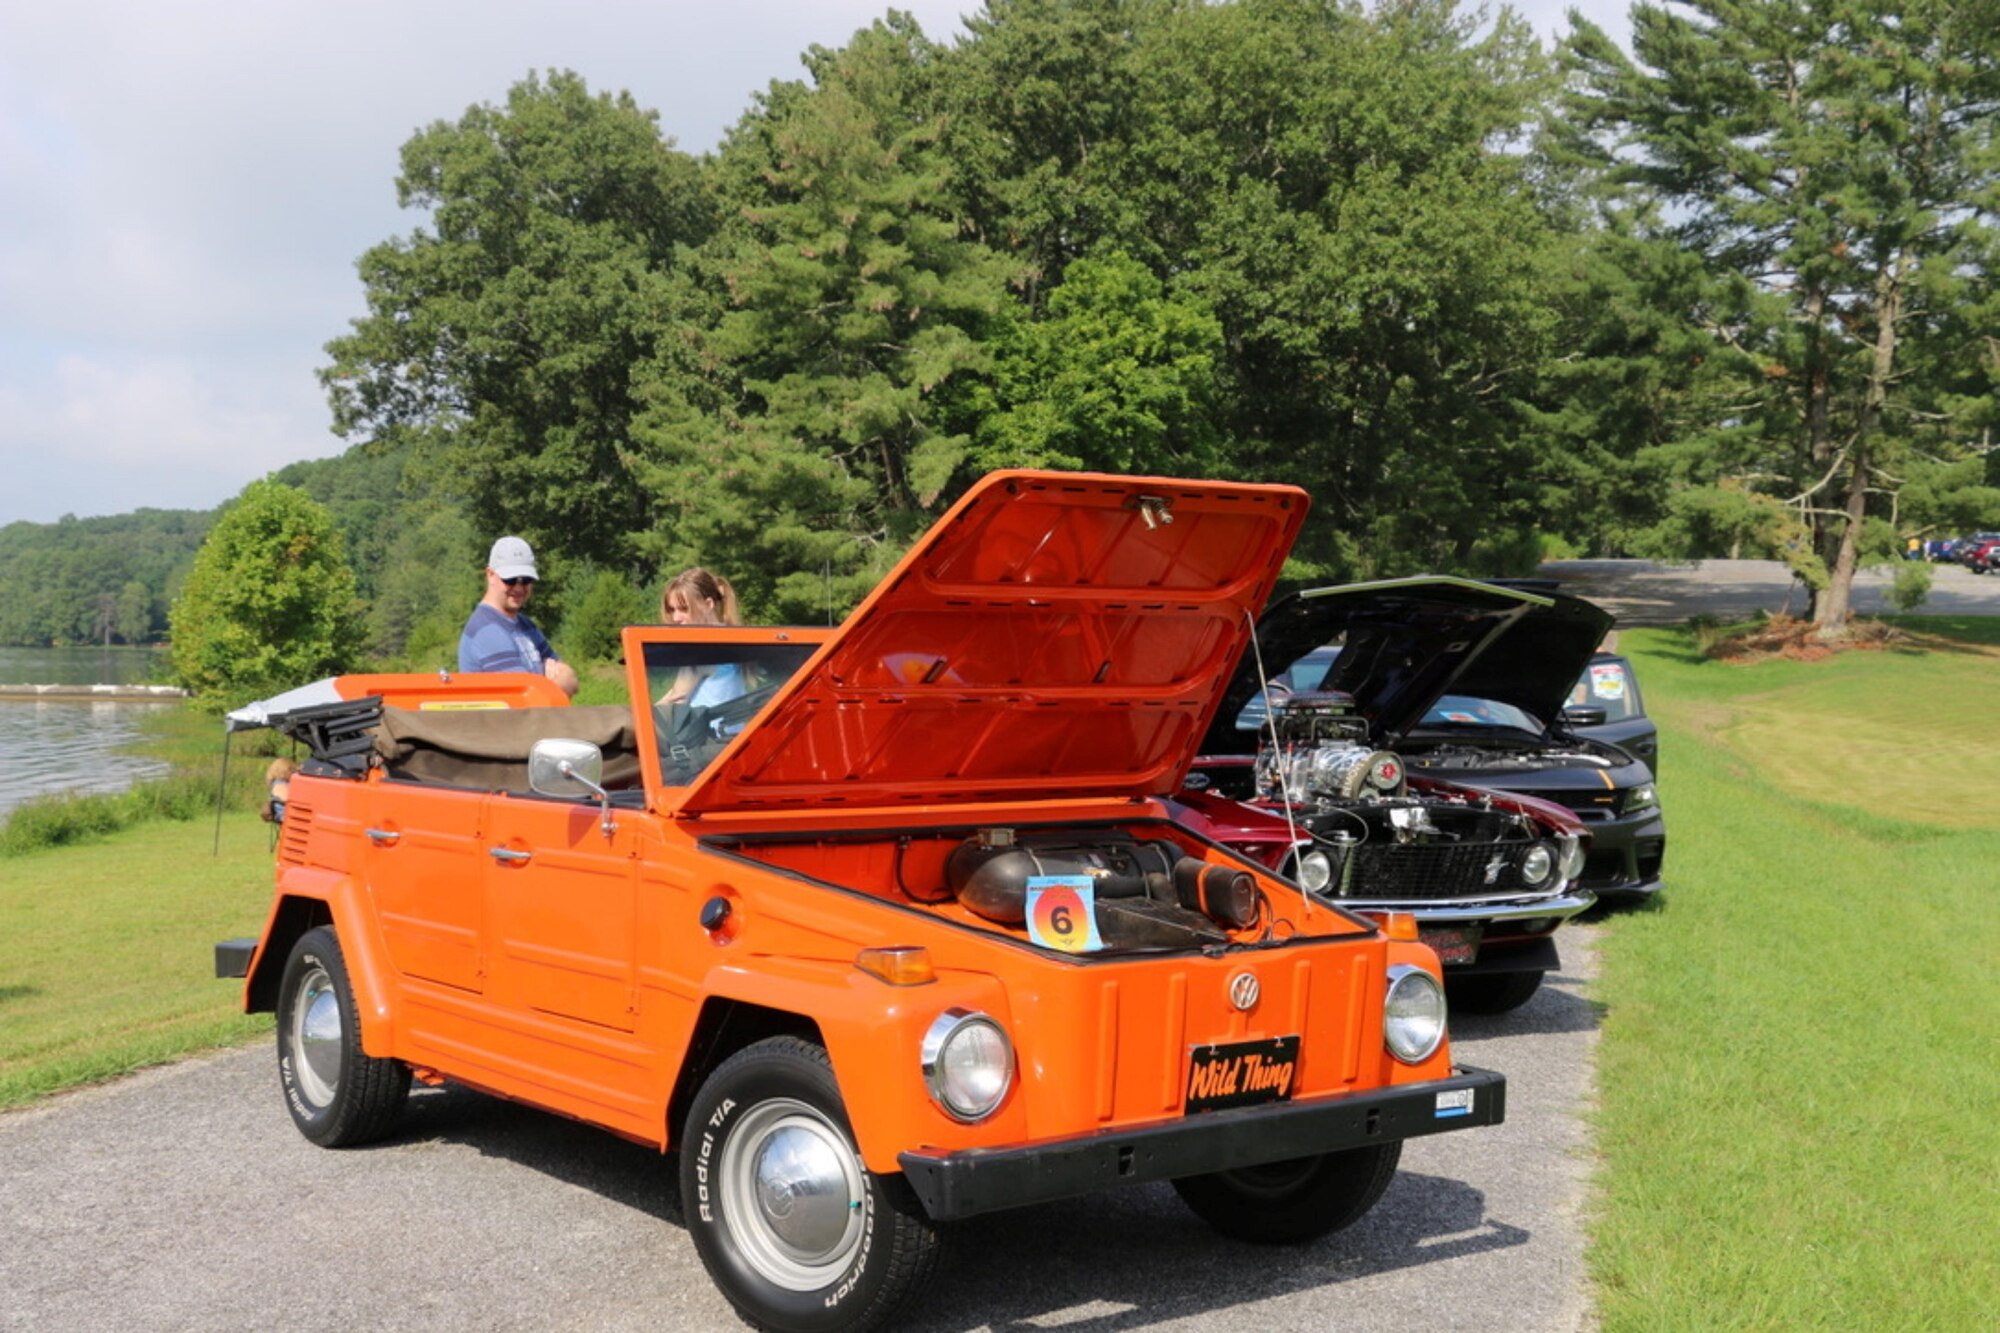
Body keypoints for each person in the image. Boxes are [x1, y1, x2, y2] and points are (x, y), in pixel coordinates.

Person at [457, 536, 579, 697]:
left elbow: (571, 681)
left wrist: (545, 684)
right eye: (510, 580)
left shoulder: (526, 625)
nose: (519, 588)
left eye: (526, 580)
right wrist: (548, 679)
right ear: (490, 574)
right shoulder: (487, 630)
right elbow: (525, 699)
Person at [657, 567, 746, 708]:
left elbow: (676, 701)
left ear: (708, 604)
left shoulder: (703, 652)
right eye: (672, 610)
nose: (675, 618)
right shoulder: (731, 641)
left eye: (684, 609)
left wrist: (636, 718)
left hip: (707, 729)